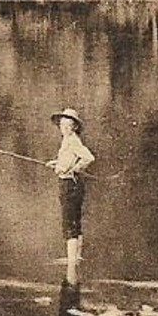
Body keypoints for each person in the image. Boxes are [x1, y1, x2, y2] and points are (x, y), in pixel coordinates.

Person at [45, 108, 94, 271]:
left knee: (69, 221)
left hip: (69, 185)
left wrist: (75, 169)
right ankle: (76, 257)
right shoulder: (69, 140)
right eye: (62, 124)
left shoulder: (72, 140)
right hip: (73, 184)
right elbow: (68, 159)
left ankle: (71, 263)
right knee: (75, 220)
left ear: (74, 127)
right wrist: (56, 163)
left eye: (68, 125)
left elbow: (88, 157)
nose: (64, 128)